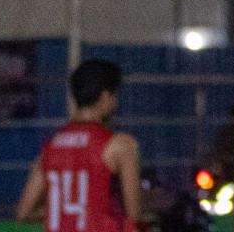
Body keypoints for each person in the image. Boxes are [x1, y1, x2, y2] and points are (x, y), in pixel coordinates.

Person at [16, 59, 141, 232]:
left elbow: (24, 213)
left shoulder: (50, 148)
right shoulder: (121, 145)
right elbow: (132, 218)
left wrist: (66, 210)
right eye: (114, 96)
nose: (115, 103)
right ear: (105, 97)